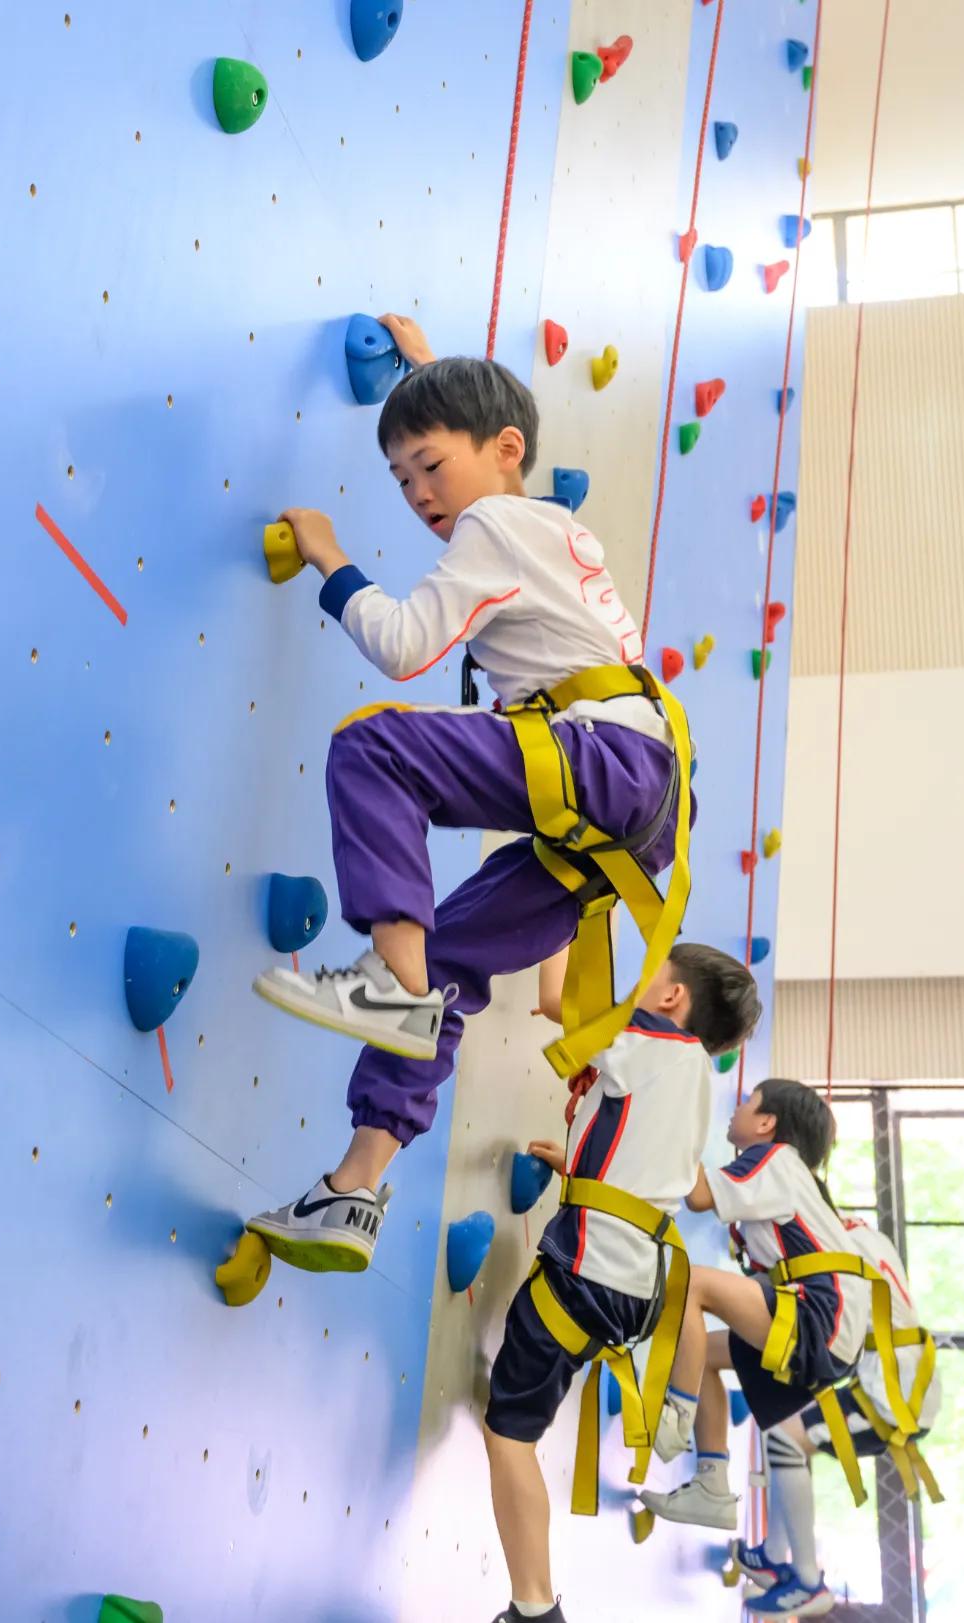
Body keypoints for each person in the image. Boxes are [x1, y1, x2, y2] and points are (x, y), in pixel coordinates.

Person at [245, 314, 697, 1273]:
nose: (415, 494)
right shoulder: (535, 523)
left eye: (425, 468)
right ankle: (354, 1187)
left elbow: (407, 643)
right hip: (634, 813)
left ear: (502, 452)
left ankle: (393, 988)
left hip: (600, 762)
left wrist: (330, 556)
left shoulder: (496, 519)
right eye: (400, 479)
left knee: (373, 748)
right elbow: (485, 435)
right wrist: (423, 365)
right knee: (446, 963)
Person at [484, 945, 761, 1623]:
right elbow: (649, 1160)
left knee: (509, 1432)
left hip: (592, 1273)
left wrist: (556, 916)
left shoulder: (649, 1038)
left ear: (671, 999)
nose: (636, 982)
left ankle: (533, 1607)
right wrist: (577, 1166)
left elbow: (556, 997)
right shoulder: (697, 1079)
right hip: (632, 1284)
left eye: (649, 971)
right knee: (520, 1420)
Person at [639, 1080, 870, 1621]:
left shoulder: (776, 1160)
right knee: (700, 1356)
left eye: (747, 1104)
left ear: (766, 1125)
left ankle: (672, 1419)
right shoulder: (788, 1175)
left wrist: (669, 1109)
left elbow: (697, 1194)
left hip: (819, 1315)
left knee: (690, 1284)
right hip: (826, 1327)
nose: (737, 1108)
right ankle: (713, 1483)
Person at [731, 1215, 941, 1617]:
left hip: (891, 1398)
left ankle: (809, 1583)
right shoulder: (865, 1233)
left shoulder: (835, 1248)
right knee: (785, 1428)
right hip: (902, 1382)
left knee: (786, 1437)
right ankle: (775, 1555)